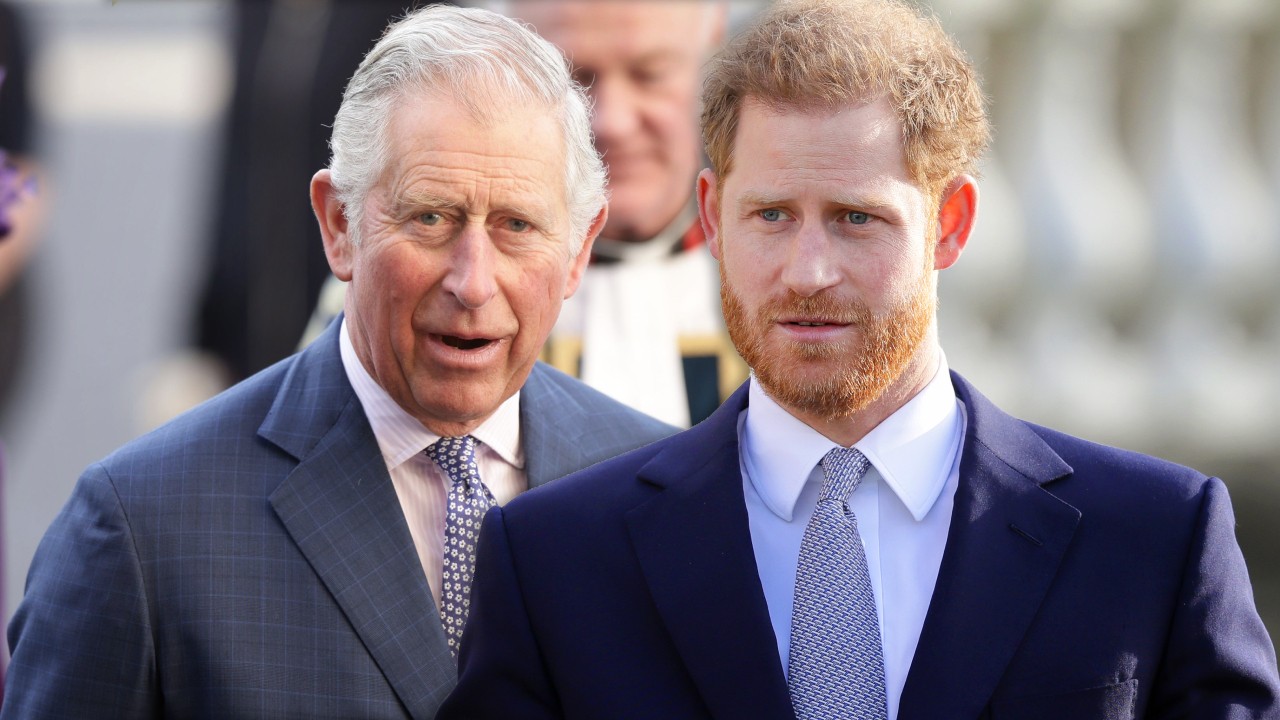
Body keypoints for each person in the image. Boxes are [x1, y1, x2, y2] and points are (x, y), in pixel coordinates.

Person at [438, 0, 1280, 718]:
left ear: (950, 225)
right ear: (713, 214)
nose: (808, 273)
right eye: (770, 216)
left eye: (855, 218)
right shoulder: (553, 561)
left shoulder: (1156, 540)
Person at [2, 6, 673, 719]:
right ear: (339, 225)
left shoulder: (663, 498)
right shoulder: (142, 528)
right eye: (430, 218)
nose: (473, 281)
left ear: (577, 248)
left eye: (516, 226)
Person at [306, 0, 744, 428]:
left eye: (650, 74)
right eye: (575, 82)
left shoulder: (771, 273)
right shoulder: (386, 292)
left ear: (712, 40)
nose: (614, 120)